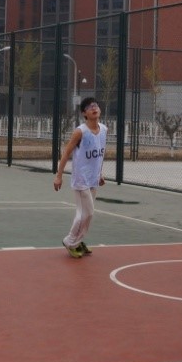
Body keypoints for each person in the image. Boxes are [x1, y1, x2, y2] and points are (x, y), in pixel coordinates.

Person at [53, 97, 107, 258]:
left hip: (93, 179)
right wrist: (59, 176)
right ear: (84, 113)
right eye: (90, 107)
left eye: (96, 106)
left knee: (85, 213)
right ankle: (70, 241)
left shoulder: (104, 129)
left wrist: (100, 173)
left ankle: (78, 241)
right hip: (81, 179)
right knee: (87, 213)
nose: (94, 108)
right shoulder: (80, 132)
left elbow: (100, 153)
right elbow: (66, 153)